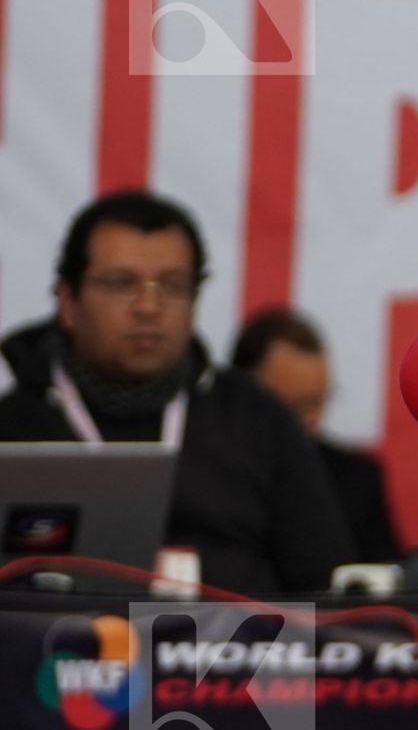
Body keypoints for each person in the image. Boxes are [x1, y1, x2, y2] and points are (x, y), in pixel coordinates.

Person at [0, 191, 356, 594]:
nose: (149, 306)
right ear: (68, 301)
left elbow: (329, 588)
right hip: (57, 650)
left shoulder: (258, 420)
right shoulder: (11, 429)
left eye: (172, 286)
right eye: (122, 284)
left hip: (235, 650)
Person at [231, 307, 401, 563]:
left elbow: (390, 580)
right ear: (244, 393)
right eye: (296, 406)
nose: (313, 418)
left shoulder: (356, 482)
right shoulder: (201, 471)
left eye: (319, 402)